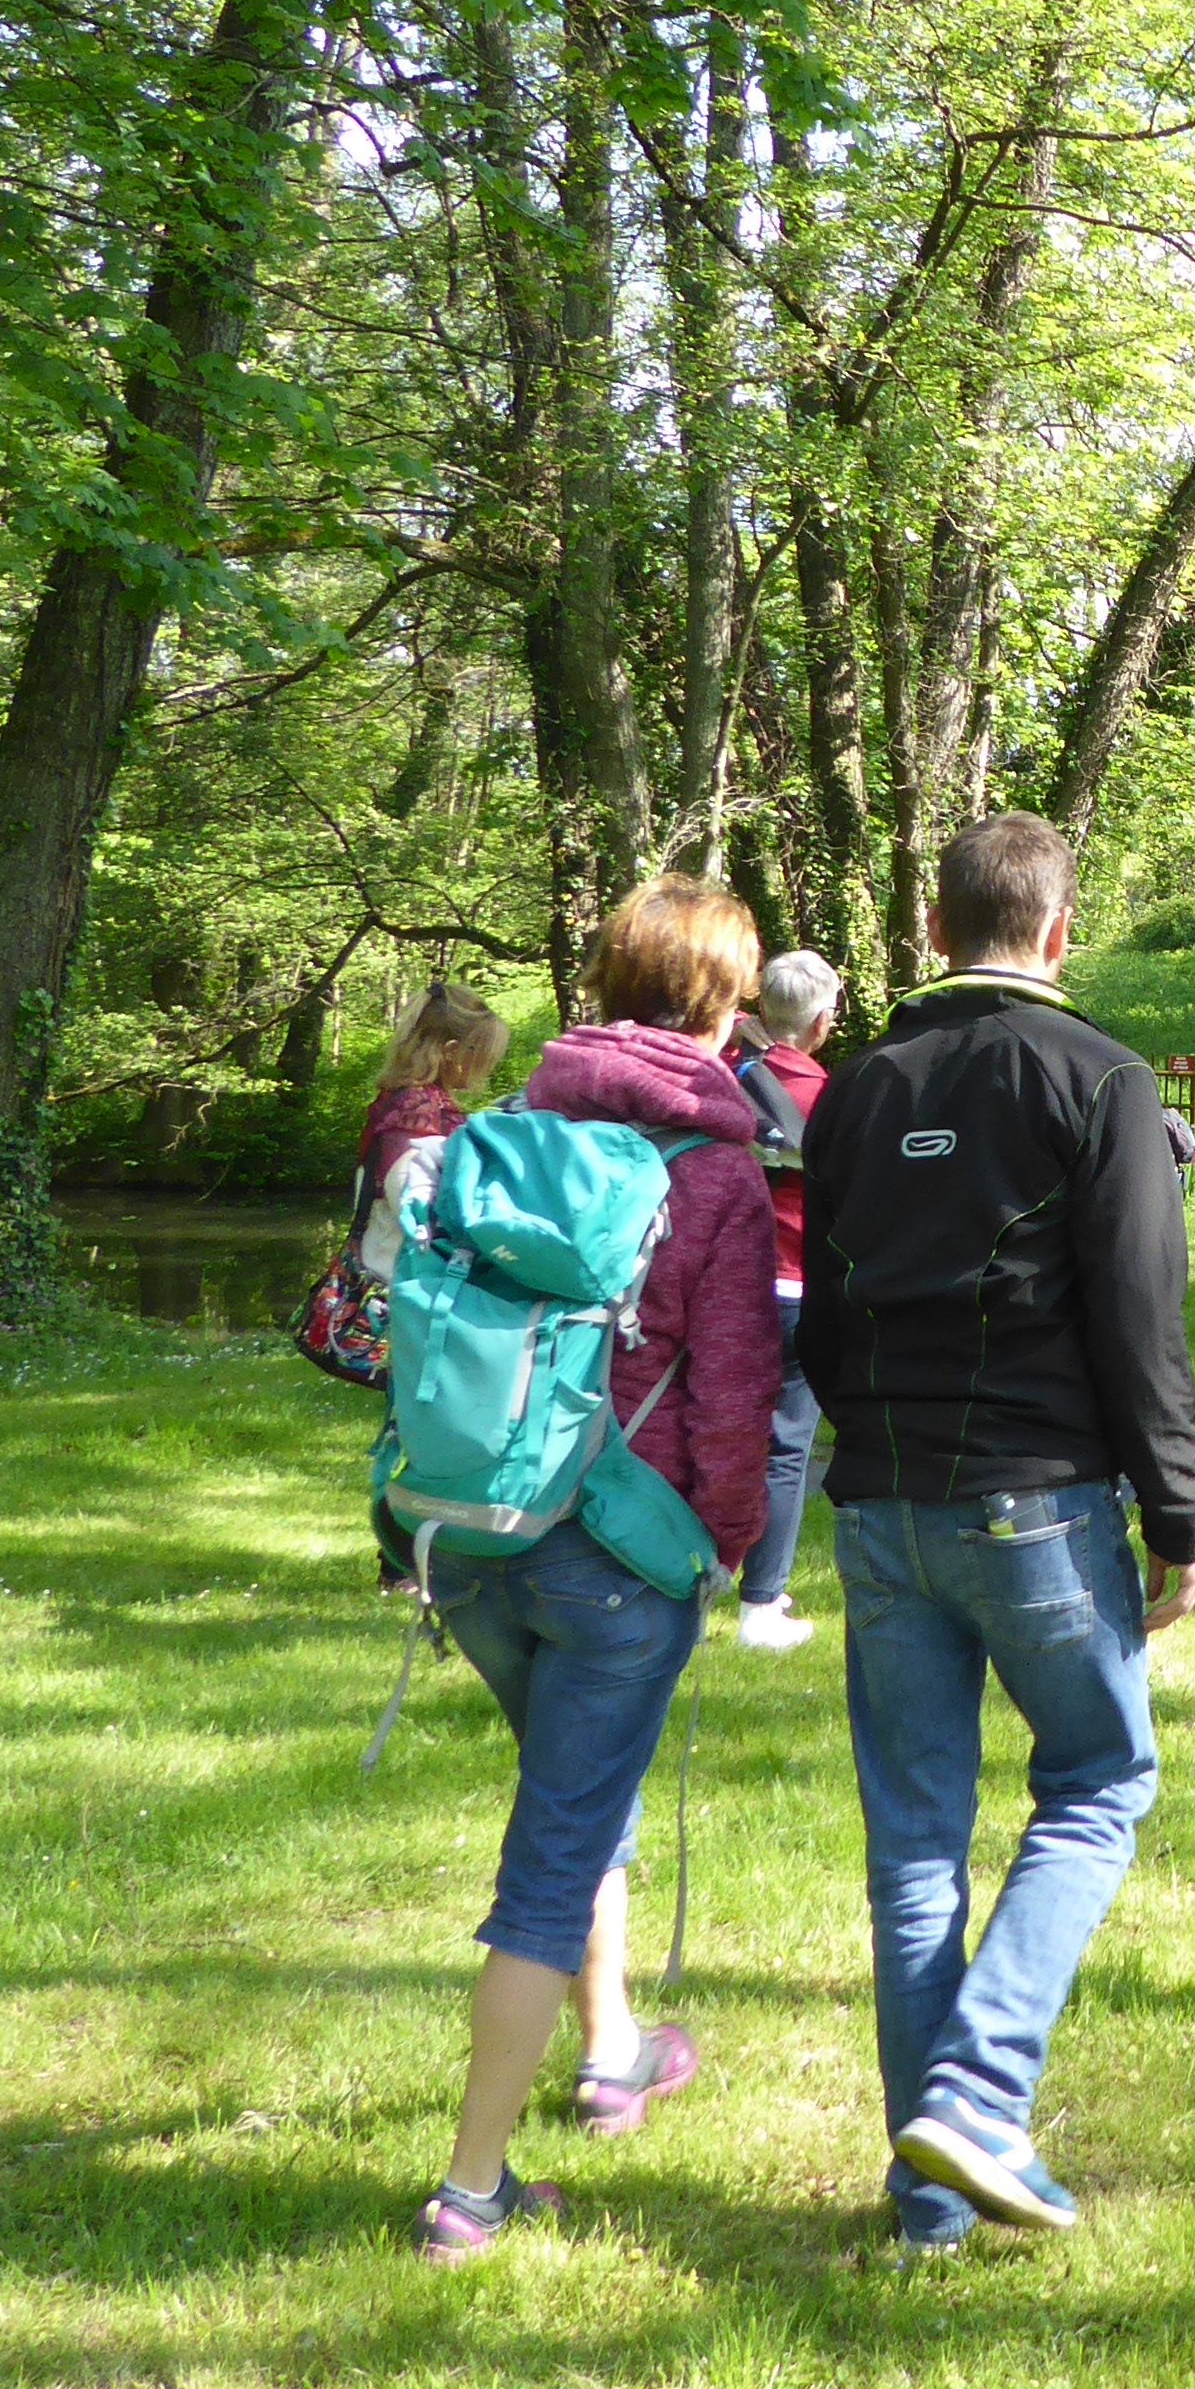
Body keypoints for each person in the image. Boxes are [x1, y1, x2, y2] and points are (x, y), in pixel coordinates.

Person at [802, 813, 1195, 2248]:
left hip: (884, 1501)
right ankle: (975, 2101)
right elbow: (1142, 1316)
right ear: (1058, 928)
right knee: (1098, 1783)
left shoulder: (852, 1092)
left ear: (934, 929)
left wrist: (860, 1445)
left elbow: (828, 1309)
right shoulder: (1100, 1077)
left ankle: (930, 2197)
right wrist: (1180, 1517)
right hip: (1032, 1501)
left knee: (914, 1844)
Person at [409, 879, 785, 2261]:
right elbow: (737, 1393)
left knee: (580, 1787)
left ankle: (614, 2046)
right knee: (555, 1853)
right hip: (617, 1553)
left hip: (477, 1532)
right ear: (720, 1003)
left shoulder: (505, 1129)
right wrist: (731, 1550)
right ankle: (471, 2189)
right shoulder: (718, 1172)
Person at [354, 983, 509, 1593]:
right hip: (407, 1289)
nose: (486, 1066)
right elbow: (421, 1210)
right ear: (449, 1049)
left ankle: (412, 1559)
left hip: (412, 1284)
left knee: (417, 1430)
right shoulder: (416, 1116)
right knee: (412, 1434)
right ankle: (399, 1566)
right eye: (480, 1053)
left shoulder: (413, 1102)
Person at [728, 952, 841, 1653]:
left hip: (726, 1282)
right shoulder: (828, 1094)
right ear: (823, 1019)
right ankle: (760, 1603)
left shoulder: (726, 1074)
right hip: (799, 1281)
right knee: (785, 1444)